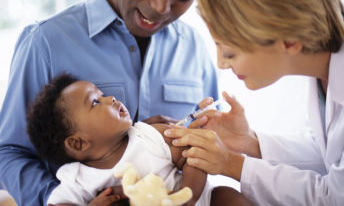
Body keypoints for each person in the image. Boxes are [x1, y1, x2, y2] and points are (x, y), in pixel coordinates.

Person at [0, 0, 220, 205]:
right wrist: (72, 198)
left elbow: (210, 141)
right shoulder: (45, 42)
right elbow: (8, 152)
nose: (161, 6)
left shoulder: (193, 46)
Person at [164, 0, 344, 205]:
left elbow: (338, 197)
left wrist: (231, 164)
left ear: (290, 41)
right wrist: (248, 142)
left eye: (230, 54)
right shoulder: (325, 70)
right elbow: (329, 156)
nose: (221, 64)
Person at [26, 73, 252, 206]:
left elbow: (193, 156)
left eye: (102, 94)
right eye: (95, 102)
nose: (111, 98)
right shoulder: (77, 178)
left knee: (227, 196)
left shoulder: (148, 135)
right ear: (78, 143)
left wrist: (186, 195)